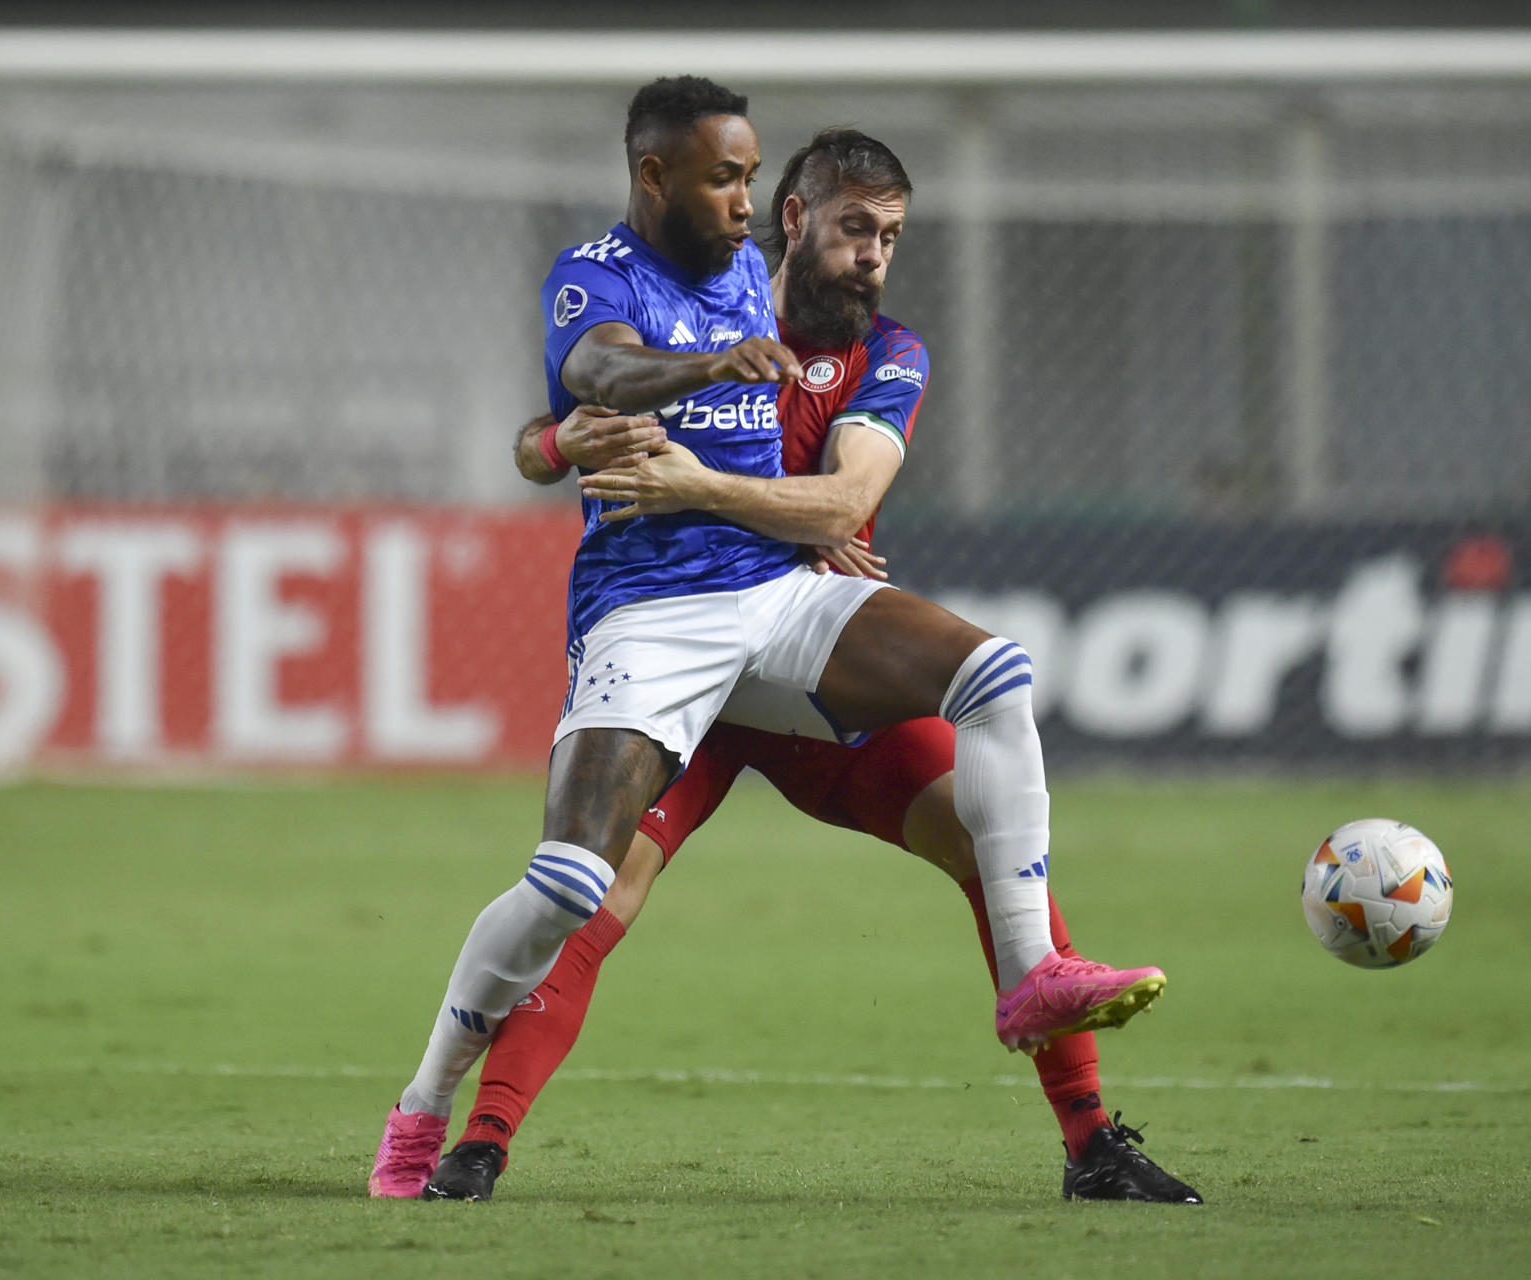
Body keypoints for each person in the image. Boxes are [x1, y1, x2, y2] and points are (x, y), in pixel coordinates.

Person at [370, 77, 1165, 1199]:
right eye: (855, 231)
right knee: (584, 891)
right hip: (680, 648)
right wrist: (552, 442)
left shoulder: (887, 352)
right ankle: (471, 1136)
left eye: (891, 237)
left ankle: (1089, 1133)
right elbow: (581, 393)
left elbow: (840, 508)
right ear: (797, 220)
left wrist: (761, 509)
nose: (874, 259)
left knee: (992, 818)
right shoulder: (701, 288)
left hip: (804, 664)